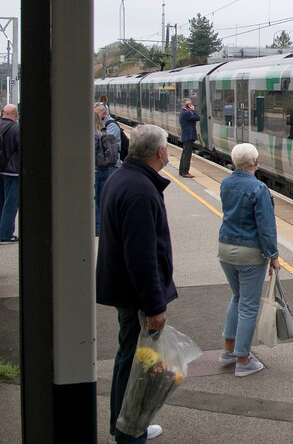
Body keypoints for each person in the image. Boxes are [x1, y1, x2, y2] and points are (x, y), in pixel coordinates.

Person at [96, 124, 176, 443]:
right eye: (167, 148)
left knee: (128, 358)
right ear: (159, 152)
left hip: (125, 291)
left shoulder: (122, 178)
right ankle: (130, 432)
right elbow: (141, 255)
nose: (168, 153)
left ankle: (126, 425)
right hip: (136, 296)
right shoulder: (140, 190)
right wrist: (154, 306)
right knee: (136, 367)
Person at [217, 142, 281, 377]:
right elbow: (266, 227)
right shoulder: (259, 189)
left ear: (234, 162)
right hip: (250, 254)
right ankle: (243, 360)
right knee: (249, 305)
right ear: (256, 162)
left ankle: (228, 350)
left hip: (225, 249)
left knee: (237, 298)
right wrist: (273, 256)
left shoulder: (226, 183)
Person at [94, 112, 118, 236]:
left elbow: (92, 154)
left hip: (95, 171)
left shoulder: (93, 136)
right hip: (106, 169)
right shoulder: (106, 133)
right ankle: (105, 225)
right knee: (103, 199)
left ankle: (97, 227)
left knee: (94, 200)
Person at [0, 104, 20, 244]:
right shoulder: (16, 128)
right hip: (12, 171)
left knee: (1, 201)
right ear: (16, 115)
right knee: (10, 203)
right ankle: (6, 234)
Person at [95, 101, 122, 166]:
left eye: (97, 113)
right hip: (103, 163)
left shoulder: (111, 125)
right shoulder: (98, 123)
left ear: (105, 113)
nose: (95, 116)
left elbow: (105, 142)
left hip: (111, 164)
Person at [178, 98, 200, 178]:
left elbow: (193, 119)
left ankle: (182, 171)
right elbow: (197, 118)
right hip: (188, 136)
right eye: (190, 104)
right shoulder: (186, 113)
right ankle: (185, 172)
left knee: (185, 153)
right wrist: (194, 110)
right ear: (186, 105)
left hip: (186, 135)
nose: (191, 106)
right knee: (187, 155)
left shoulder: (184, 113)